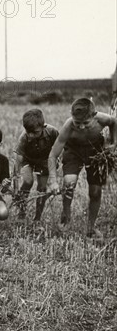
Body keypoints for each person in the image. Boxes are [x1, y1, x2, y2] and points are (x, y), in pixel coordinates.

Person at [47, 98, 116, 238]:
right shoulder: (68, 126)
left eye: (86, 123)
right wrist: (53, 181)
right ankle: (65, 216)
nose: (81, 127)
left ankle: (91, 227)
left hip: (96, 152)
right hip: (74, 152)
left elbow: (114, 122)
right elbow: (53, 155)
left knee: (95, 192)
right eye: (77, 123)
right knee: (69, 183)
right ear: (71, 116)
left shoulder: (102, 119)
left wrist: (113, 142)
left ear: (94, 115)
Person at [13, 109, 59, 221]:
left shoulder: (52, 132)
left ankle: (37, 218)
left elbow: (60, 148)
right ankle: (22, 209)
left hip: (44, 161)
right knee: (28, 181)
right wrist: (15, 186)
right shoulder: (24, 138)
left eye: (35, 132)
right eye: (28, 131)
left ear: (43, 127)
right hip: (27, 160)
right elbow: (18, 162)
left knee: (42, 188)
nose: (31, 135)